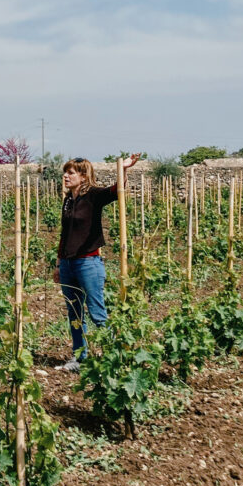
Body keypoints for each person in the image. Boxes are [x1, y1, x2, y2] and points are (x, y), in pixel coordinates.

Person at [54, 154, 140, 372]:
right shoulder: (68, 200)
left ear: (83, 176)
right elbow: (65, 233)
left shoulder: (93, 196)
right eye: (65, 173)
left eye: (70, 173)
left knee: (97, 313)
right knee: (75, 314)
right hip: (67, 264)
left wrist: (124, 169)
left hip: (88, 263)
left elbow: (116, 190)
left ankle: (114, 357)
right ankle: (79, 357)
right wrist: (58, 263)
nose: (65, 176)